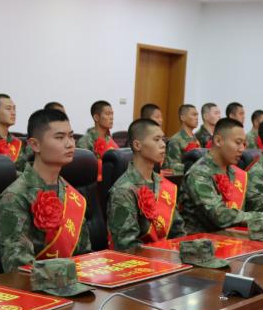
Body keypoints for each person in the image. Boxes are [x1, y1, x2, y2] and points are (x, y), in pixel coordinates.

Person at [0, 108, 91, 272]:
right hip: (36, 286)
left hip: (77, 281)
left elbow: (85, 255)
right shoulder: (15, 197)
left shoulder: (72, 194)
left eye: (71, 136)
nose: (70, 144)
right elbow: (19, 268)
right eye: (59, 137)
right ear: (35, 145)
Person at [179, 118, 263, 234]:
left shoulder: (235, 173)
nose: (242, 149)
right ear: (218, 141)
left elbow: (258, 203)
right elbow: (220, 215)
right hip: (202, 241)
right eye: (238, 143)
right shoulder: (199, 174)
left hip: (234, 235)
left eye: (244, 144)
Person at [107, 118, 185, 250]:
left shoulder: (163, 184)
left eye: (163, 139)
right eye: (156, 139)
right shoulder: (123, 190)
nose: (163, 144)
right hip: (139, 260)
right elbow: (127, 246)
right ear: (137, 145)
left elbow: (178, 232)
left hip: (168, 256)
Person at [76, 100, 117, 181]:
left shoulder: (109, 139)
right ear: (96, 117)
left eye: (112, 114)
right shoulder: (85, 141)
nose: (112, 118)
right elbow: (82, 169)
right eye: (108, 114)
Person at [165, 104, 201, 175]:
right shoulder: (176, 140)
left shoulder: (195, 139)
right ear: (183, 118)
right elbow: (171, 166)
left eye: (197, 115)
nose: (197, 118)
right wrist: (190, 166)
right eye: (194, 115)